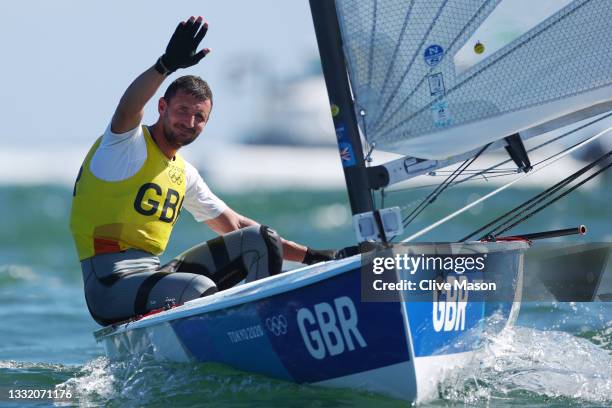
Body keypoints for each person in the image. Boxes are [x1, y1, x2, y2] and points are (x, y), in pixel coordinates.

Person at [70, 16, 338, 326]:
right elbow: (127, 107)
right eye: (182, 111)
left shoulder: (184, 175)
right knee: (197, 288)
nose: (190, 122)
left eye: (200, 117)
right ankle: (246, 331)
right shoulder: (124, 146)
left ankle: (267, 324)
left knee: (260, 238)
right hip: (109, 287)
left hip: (154, 277)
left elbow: (235, 224)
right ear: (162, 107)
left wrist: (313, 257)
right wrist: (165, 65)